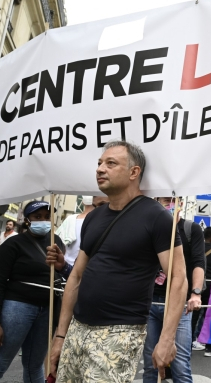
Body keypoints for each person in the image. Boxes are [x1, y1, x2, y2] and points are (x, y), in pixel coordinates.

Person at [49, 140, 188, 383]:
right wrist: (60, 336)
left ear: (134, 172)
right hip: (77, 329)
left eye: (111, 163)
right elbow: (77, 276)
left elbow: (178, 278)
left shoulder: (157, 217)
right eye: (100, 163)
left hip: (120, 333)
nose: (100, 169)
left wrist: (166, 339)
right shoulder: (94, 218)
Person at [0, 201, 65, 383]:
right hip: (17, 309)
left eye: (47, 217)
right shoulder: (13, 244)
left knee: (35, 366)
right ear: (27, 220)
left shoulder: (57, 242)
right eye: (37, 217)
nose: (44, 221)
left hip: (47, 311)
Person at [142, 197, 205, 383]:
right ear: (156, 201)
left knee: (180, 365)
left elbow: (198, 262)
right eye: (164, 200)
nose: (168, 204)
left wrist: (195, 293)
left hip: (180, 304)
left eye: (172, 200)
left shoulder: (191, 229)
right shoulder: (150, 226)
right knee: (150, 364)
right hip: (151, 302)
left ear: (181, 203)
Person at [192, 226, 211, 356]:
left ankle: (191, 341)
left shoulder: (197, 247)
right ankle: (209, 346)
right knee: (210, 314)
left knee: (194, 313)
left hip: (197, 284)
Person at [55, 196, 109, 266]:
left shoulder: (70, 219)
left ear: (83, 202)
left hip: (65, 264)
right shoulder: (101, 222)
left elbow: (59, 241)